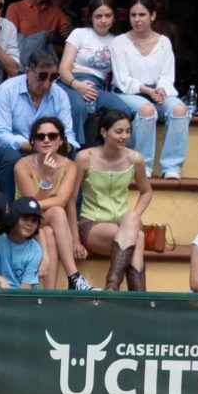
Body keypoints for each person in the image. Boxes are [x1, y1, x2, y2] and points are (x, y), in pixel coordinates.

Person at [102, 0, 186, 178]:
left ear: (153, 15)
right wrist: (147, 90)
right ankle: (143, 166)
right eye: (133, 15)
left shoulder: (164, 42)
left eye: (142, 14)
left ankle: (172, 167)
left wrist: (161, 89)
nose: (137, 19)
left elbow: (167, 74)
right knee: (147, 110)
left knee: (179, 110)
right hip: (128, 93)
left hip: (157, 91)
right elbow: (123, 80)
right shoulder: (120, 42)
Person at [0, 51, 79, 204]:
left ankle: (73, 219)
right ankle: (8, 217)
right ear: (28, 72)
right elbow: (0, 135)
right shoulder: (7, 89)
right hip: (5, 151)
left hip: (46, 150)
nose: (47, 84)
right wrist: (35, 145)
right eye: (42, 76)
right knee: (12, 158)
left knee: (76, 159)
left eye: (53, 77)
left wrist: (64, 147)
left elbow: (68, 134)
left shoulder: (60, 95)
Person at [76, 103, 152, 290]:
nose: (124, 136)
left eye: (128, 131)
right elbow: (70, 201)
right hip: (92, 224)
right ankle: (138, 296)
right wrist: (74, 240)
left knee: (132, 219)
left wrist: (134, 215)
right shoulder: (85, 157)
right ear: (103, 132)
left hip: (123, 223)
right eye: (119, 131)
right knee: (138, 237)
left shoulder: (135, 158)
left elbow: (147, 191)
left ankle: (113, 286)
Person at [12, 113, 85, 290]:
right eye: (40, 136)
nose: (46, 140)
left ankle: (49, 294)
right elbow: (32, 208)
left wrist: (76, 239)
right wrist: (47, 177)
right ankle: (74, 277)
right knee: (57, 212)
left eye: (52, 136)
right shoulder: (21, 165)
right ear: (33, 142)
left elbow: (63, 200)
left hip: (49, 224)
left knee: (51, 233)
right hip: (25, 221)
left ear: (61, 141)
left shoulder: (69, 165)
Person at [53, 0, 116, 142]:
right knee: (78, 106)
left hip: (97, 87)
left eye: (108, 15)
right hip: (70, 82)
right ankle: (74, 150)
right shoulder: (80, 33)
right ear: (90, 17)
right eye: (98, 16)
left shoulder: (117, 41)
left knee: (122, 109)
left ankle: (112, 156)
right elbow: (63, 69)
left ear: (114, 17)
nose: (103, 20)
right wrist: (77, 85)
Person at [5, 0, 72, 65]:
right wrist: (45, 38)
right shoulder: (15, 8)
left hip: (47, 67)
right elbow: (11, 42)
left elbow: (70, 40)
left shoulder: (55, 11)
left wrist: (70, 32)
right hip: (22, 66)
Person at [0, 196, 50, 289]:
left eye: (34, 220)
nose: (29, 224)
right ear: (13, 217)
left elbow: (25, 289)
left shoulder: (36, 250)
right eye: (25, 217)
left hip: (21, 298)